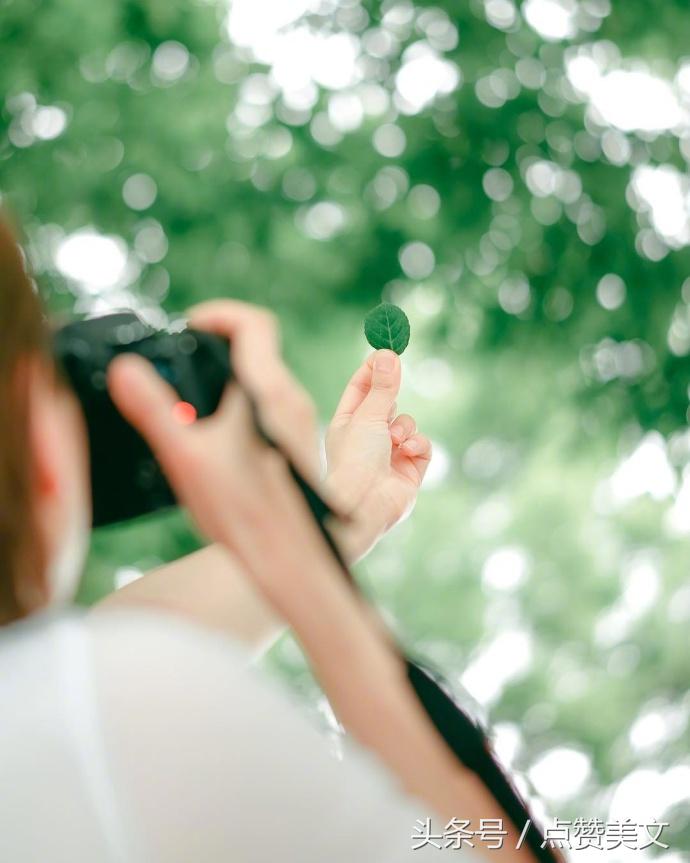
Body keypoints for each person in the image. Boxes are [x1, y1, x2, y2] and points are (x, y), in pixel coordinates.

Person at [0, 214, 537, 862]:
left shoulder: (64, 710)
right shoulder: (100, 713)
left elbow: (103, 659)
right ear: (38, 441)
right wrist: (291, 543)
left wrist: (339, 516)